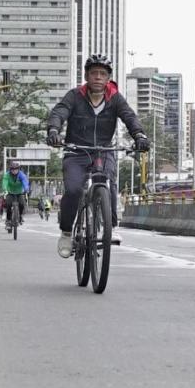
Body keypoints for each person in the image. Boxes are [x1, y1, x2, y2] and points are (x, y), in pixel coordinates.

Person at [46, 54, 151, 258]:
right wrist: (53, 130)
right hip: (75, 151)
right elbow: (60, 112)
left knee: (108, 183)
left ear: (108, 78)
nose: (98, 77)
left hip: (103, 150)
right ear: (87, 75)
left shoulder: (115, 98)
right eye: (94, 73)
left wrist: (139, 135)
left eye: (102, 73)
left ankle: (110, 226)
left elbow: (129, 116)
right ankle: (67, 232)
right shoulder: (74, 96)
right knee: (74, 189)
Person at [1, 161, 30, 231]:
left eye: (16, 169)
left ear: (18, 169)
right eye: (13, 169)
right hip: (10, 192)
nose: (14, 171)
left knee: (22, 204)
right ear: (10, 170)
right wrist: (4, 188)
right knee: (8, 204)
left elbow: (25, 182)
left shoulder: (21, 175)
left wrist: (26, 189)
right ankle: (8, 220)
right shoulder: (7, 175)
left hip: (19, 192)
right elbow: (5, 182)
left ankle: (20, 216)